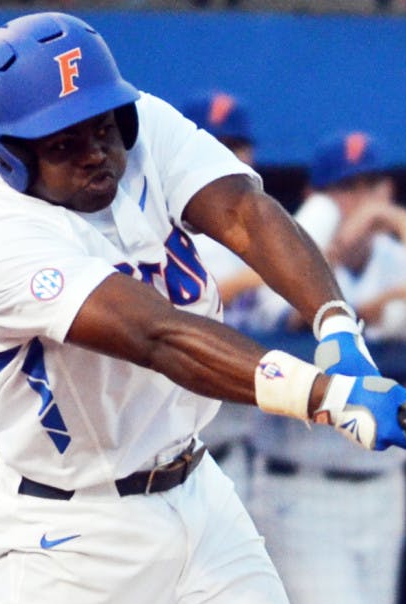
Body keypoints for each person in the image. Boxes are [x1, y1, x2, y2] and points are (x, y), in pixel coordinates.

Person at [0, 12, 406, 604]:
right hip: (65, 534)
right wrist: (325, 393)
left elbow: (243, 213)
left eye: (101, 125)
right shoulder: (4, 241)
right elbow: (159, 336)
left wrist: (337, 326)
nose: (95, 149)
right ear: (10, 154)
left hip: (196, 497)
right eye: (62, 142)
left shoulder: (141, 123)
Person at [247, 130, 406, 604]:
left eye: (371, 184)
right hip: (298, 488)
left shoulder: (396, 253)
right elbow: (295, 319)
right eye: (345, 188)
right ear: (316, 196)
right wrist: (389, 296)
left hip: (383, 492)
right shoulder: (288, 250)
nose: (361, 199)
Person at [181, 90, 262, 501]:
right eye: (214, 145)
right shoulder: (158, 226)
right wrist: (255, 278)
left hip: (236, 454)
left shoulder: (264, 235)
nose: (227, 158)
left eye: (235, 146)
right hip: (161, 458)